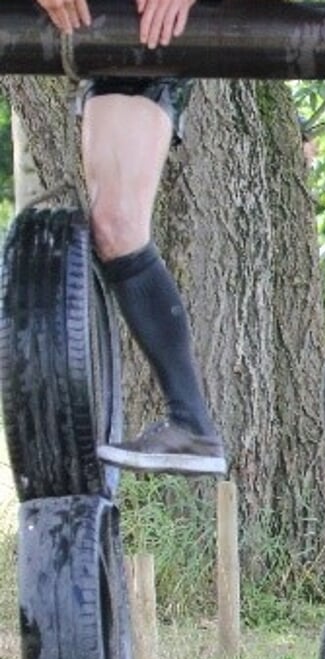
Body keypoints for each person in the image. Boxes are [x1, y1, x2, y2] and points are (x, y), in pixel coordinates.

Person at [37, 0, 227, 476]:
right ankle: (192, 424)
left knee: (117, 225)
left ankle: (191, 422)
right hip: (103, 40)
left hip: (148, 36)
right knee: (113, 228)